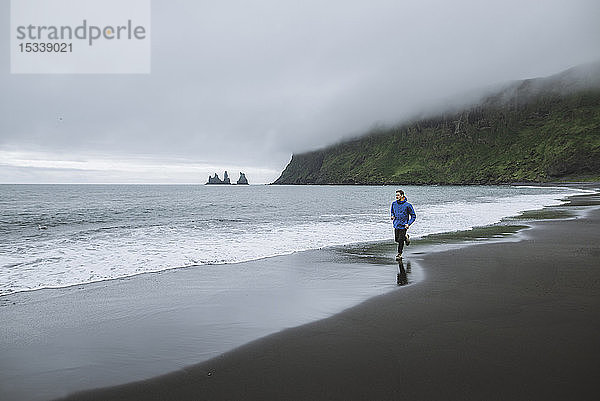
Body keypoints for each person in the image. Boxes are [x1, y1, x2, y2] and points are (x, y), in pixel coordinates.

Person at [390, 189, 416, 260]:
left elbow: (413, 216)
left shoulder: (408, 205)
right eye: (396, 195)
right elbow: (392, 211)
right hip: (396, 224)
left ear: (402, 195)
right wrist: (392, 215)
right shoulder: (394, 204)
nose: (397, 196)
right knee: (396, 240)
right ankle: (406, 237)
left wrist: (408, 224)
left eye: (398, 195)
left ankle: (399, 254)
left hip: (404, 225)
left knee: (400, 240)